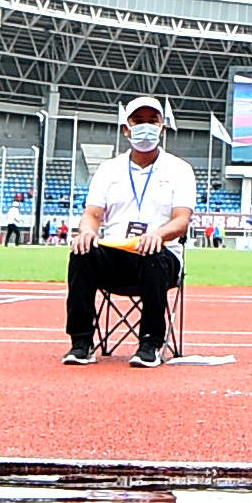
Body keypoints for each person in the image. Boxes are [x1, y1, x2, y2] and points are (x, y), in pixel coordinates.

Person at [64, 96, 194, 368]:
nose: (145, 126)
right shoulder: (108, 169)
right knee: (81, 253)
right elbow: (92, 214)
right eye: (138, 121)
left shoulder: (180, 169)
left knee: (153, 254)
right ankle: (81, 342)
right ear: (126, 128)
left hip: (160, 255)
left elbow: (182, 220)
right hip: (115, 253)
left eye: (152, 121)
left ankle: (150, 342)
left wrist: (157, 236)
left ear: (163, 127)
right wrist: (86, 232)